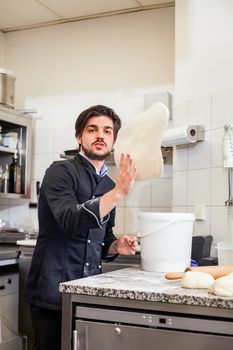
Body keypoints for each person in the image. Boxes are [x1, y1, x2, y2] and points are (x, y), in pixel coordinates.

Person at [25, 104, 138, 350]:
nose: (100, 135)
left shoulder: (109, 184)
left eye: (108, 131)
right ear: (79, 137)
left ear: (114, 141)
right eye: (92, 129)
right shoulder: (60, 171)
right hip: (53, 293)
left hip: (88, 291)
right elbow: (70, 220)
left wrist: (116, 244)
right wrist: (118, 193)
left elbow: (103, 238)